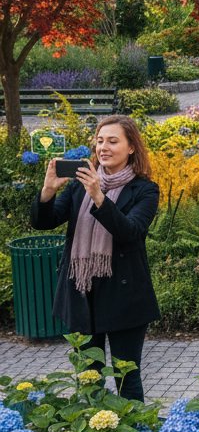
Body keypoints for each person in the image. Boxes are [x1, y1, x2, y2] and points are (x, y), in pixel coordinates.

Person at [30, 116, 159, 400]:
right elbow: (45, 222)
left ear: (131, 148)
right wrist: (48, 191)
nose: (104, 147)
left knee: (127, 377)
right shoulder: (80, 185)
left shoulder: (145, 190)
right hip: (81, 293)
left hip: (124, 296)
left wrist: (100, 198)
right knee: (90, 378)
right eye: (100, 141)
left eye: (113, 141)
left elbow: (130, 231)